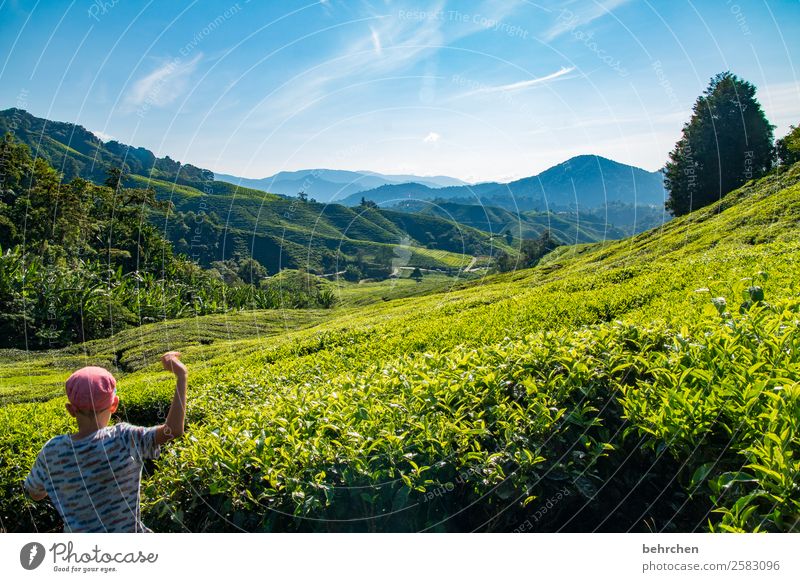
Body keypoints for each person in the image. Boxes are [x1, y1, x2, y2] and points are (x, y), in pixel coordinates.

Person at [23, 351, 188, 532]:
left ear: (70, 410)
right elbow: (173, 430)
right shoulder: (125, 437)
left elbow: (35, 493)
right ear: (114, 404)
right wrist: (181, 375)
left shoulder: (52, 451)